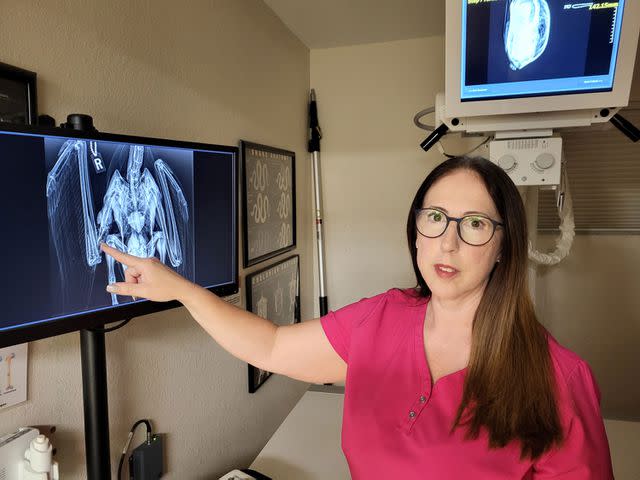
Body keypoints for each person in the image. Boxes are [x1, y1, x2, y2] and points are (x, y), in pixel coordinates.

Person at [101, 156, 613, 479]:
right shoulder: (381, 318)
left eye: (475, 224)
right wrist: (178, 290)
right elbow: (272, 347)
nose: (448, 241)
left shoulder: (558, 379)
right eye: (435, 218)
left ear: (504, 246)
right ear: (415, 230)